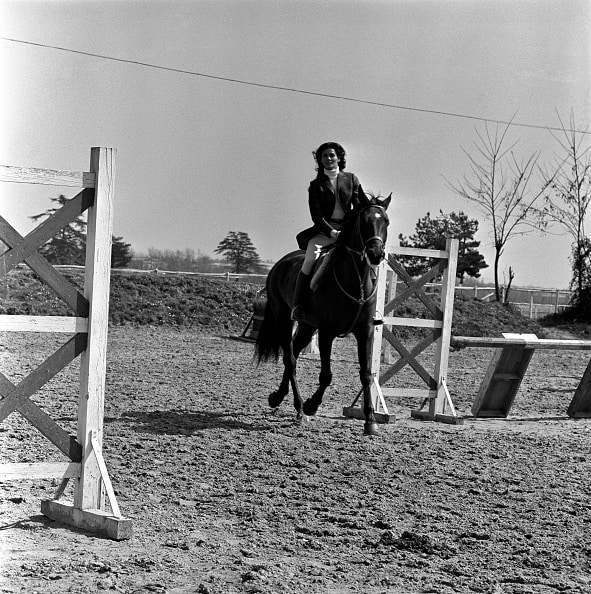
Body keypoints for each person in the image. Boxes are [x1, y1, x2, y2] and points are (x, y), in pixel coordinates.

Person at [292, 142, 366, 321]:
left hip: (347, 232)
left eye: (332, 155)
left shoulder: (351, 179)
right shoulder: (316, 185)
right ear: (320, 160)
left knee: (366, 259)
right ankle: (298, 305)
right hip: (323, 233)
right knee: (309, 261)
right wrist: (332, 233)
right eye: (324, 156)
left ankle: (369, 309)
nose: (329, 159)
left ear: (339, 158)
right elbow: (316, 217)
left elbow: (358, 207)